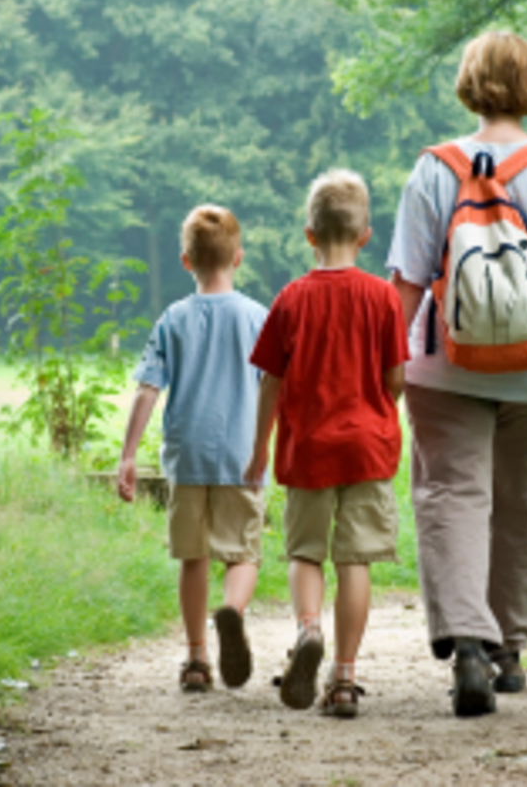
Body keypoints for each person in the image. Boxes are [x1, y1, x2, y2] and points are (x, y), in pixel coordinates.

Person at [387, 30, 527, 717]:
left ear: (467, 84)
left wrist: (386, 362)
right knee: (521, 503)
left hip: (442, 364)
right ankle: (508, 647)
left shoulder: (434, 167)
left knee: (451, 498)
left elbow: (403, 282)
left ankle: (467, 643)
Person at [245, 169, 409, 719]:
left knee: (305, 552)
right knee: (355, 559)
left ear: (308, 235)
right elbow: (395, 379)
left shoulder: (290, 299)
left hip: (307, 448)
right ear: (366, 236)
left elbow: (269, 381)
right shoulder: (384, 298)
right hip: (367, 448)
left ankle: (307, 629)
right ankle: (343, 678)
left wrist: (258, 450)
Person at [116, 204, 269, 694]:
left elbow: (146, 390)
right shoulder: (257, 318)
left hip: (187, 458)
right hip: (242, 456)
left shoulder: (173, 319)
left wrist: (127, 455)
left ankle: (198, 659)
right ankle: (232, 611)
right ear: (238, 257)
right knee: (242, 552)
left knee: (193, 558)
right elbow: (278, 387)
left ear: (186, 261)